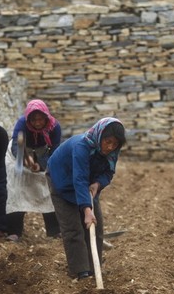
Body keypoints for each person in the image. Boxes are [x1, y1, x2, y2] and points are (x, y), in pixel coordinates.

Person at [46, 117, 126, 280]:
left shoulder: (112, 153)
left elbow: (108, 173)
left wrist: (98, 184)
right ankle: (80, 270)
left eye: (114, 144)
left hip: (88, 184)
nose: (110, 147)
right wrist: (86, 210)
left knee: (96, 226)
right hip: (62, 180)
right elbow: (79, 179)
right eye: (107, 141)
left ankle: (93, 268)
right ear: (100, 135)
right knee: (73, 227)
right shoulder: (82, 146)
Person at [6, 99, 62, 242]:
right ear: (28, 119)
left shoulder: (55, 127)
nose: (37, 123)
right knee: (17, 190)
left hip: (43, 154)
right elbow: (16, 148)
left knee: (47, 189)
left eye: (40, 119)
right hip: (19, 154)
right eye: (34, 120)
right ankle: (14, 232)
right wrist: (26, 162)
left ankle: (55, 231)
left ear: (46, 118)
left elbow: (55, 152)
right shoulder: (21, 124)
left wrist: (41, 166)